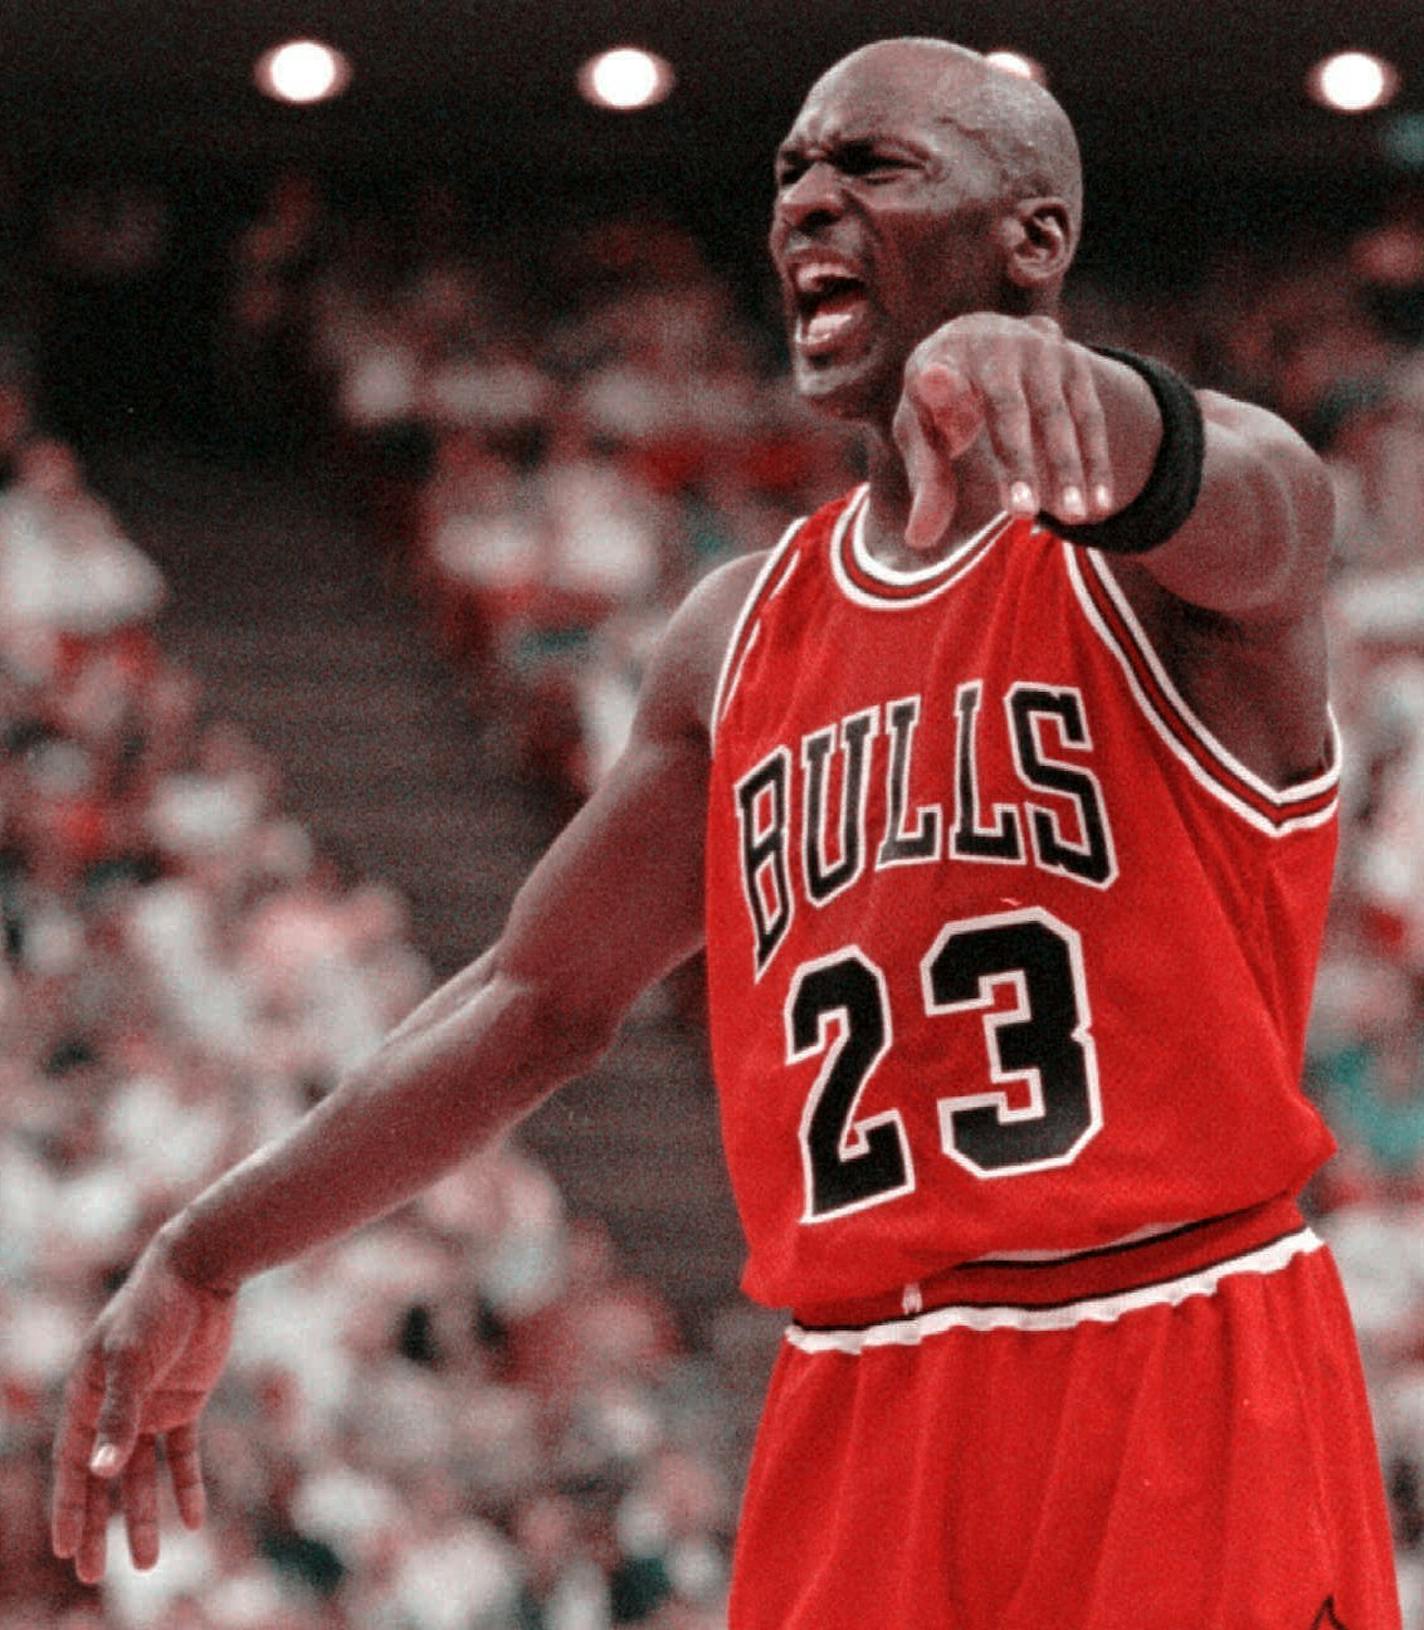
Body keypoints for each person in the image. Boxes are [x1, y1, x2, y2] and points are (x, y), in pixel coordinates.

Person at [51, 37, 1400, 1629]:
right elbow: (528, 1003)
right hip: (857, 1400)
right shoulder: (733, 638)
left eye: (874, 166)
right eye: (790, 175)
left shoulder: (1171, 553)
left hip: (1174, 1346)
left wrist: (1116, 411)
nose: (810, 204)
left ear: (1035, 238)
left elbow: (1273, 511)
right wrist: (206, 1249)